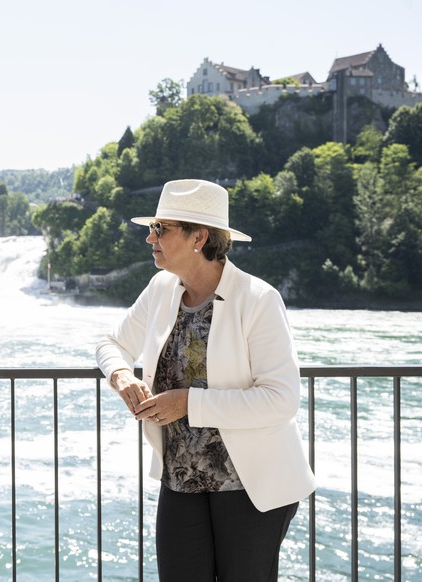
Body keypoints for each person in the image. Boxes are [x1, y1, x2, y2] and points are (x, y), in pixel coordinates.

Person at [95, 179, 315, 581]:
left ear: (199, 237)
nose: (150, 237)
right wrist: (121, 374)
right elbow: (111, 344)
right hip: (181, 479)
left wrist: (187, 403)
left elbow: (281, 399)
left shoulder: (259, 299)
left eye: (161, 228)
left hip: (251, 485)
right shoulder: (162, 288)